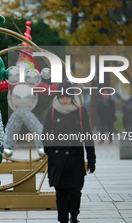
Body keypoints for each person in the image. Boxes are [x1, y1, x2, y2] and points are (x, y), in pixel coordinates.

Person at [42, 80, 96, 223]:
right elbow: (45, 135)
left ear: (72, 96)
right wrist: (51, 152)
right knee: (60, 193)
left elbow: (88, 136)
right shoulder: (52, 111)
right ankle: (63, 220)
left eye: (67, 97)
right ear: (58, 97)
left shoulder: (80, 111)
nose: (64, 100)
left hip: (75, 160)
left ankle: (74, 214)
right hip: (58, 161)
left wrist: (91, 160)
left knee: (75, 193)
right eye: (62, 97)